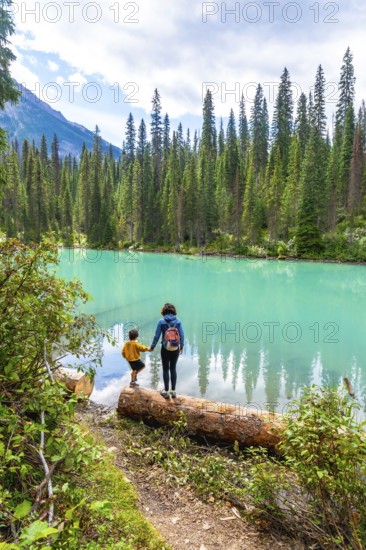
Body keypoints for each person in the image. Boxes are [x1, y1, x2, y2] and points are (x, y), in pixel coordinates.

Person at [150, 303, 184, 399]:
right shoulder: (178, 321)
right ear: (173, 311)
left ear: (164, 311)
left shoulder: (161, 322)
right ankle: (173, 392)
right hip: (175, 348)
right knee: (173, 368)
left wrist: (152, 346)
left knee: (166, 369)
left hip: (165, 348)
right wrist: (181, 346)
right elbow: (182, 335)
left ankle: (166, 392)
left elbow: (156, 336)